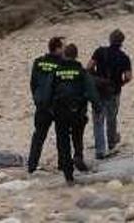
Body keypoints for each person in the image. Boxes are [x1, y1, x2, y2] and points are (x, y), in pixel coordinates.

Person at [51, 43, 100, 184]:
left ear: (64, 55)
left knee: (63, 140)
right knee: (77, 135)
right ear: (76, 55)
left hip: (60, 111)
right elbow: (91, 91)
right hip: (78, 110)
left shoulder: (56, 72)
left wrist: (47, 108)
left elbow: (49, 90)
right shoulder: (81, 72)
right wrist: (97, 106)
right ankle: (78, 155)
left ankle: (68, 173)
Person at [87, 29, 133, 159]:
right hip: (114, 91)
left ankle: (100, 150)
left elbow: (89, 67)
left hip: (99, 90)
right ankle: (112, 143)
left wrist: (95, 79)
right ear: (122, 42)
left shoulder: (100, 51)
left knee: (98, 120)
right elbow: (128, 77)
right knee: (112, 118)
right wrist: (121, 83)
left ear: (110, 39)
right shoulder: (124, 57)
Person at [27, 36, 63, 174]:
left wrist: (37, 99)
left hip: (41, 105)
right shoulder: (63, 63)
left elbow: (33, 83)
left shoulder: (38, 62)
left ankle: (32, 165)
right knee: (62, 135)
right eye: (62, 47)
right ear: (58, 48)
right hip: (57, 105)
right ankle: (62, 164)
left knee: (38, 137)